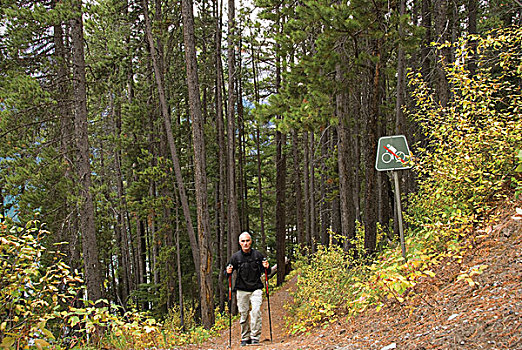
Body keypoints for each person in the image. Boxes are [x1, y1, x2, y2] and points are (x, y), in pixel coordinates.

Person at [225, 232, 270, 346]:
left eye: (247, 241)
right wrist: (228, 271)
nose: (245, 243)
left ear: (251, 241)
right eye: (243, 241)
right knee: (243, 314)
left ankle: (255, 337)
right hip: (241, 289)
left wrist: (267, 267)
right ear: (239, 243)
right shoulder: (235, 257)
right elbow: (227, 273)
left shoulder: (257, 255)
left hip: (256, 288)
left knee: (255, 311)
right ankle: (245, 337)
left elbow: (266, 272)